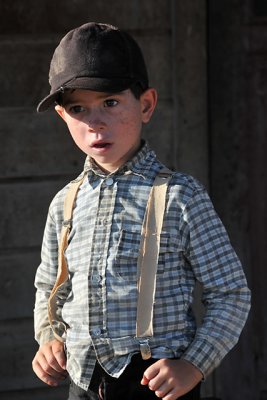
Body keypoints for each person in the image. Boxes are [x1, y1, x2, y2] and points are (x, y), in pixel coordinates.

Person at [32, 22, 251, 400]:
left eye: (110, 103)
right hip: (82, 382)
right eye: (78, 108)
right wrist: (49, 338)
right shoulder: (65, 203)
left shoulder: (180, 196)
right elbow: (50, 289)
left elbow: (230, 293)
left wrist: (194, 364)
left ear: (146, 104)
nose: (95, 122)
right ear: (62, 116)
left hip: (154, 383)